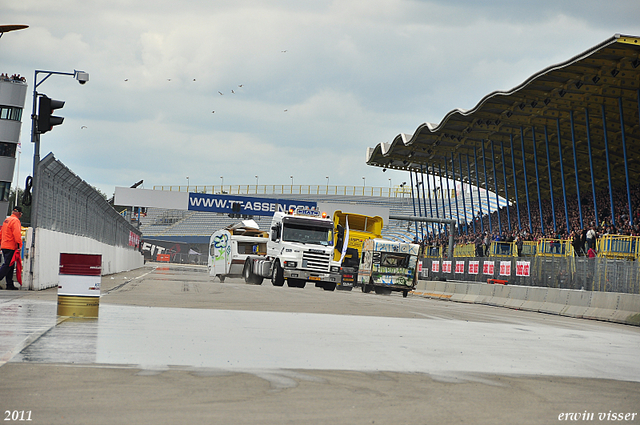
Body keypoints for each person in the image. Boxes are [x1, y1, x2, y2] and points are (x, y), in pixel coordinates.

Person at [0, 206, 23, 290]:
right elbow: (17, 234)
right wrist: (19, 245)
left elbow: (1, 232)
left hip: (4, 245)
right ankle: (8, 283)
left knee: (10, 265)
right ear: (19, 213)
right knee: (7, 265)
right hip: (11, 246)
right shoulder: (16, 221)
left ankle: (9, 284)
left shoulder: (7, 220)